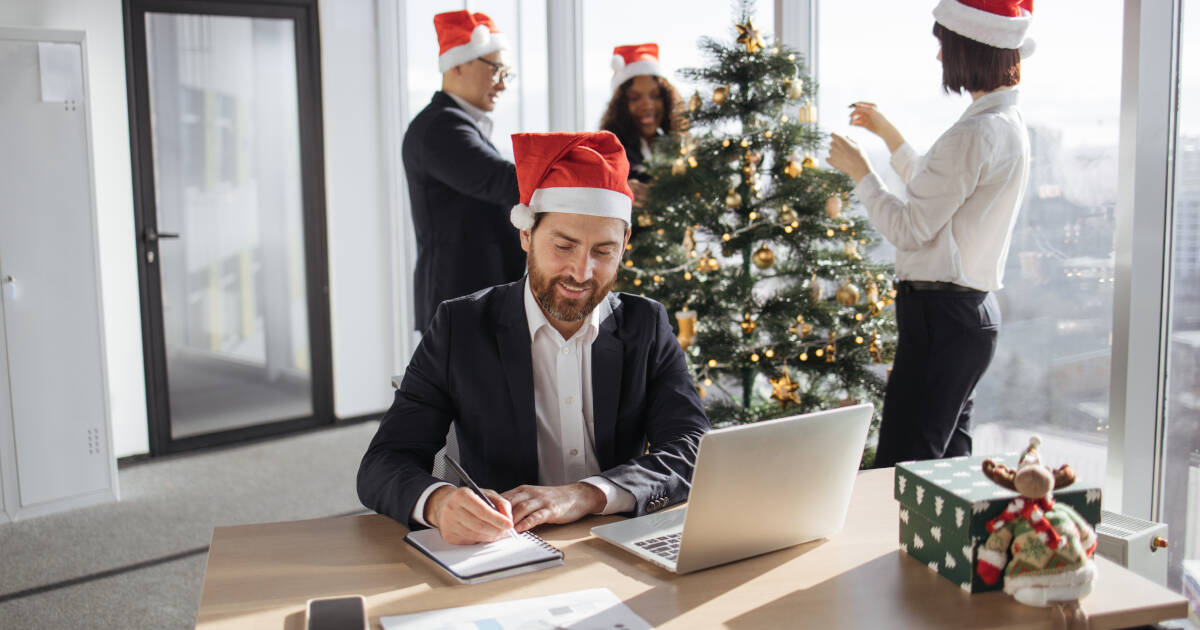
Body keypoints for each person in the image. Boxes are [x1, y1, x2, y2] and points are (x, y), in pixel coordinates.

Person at [358, 131, 710, 544]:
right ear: (526, 235)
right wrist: (438, 503)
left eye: (603, 252)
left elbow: (693, 448)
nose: (582, 272)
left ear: (624, 245)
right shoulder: (461, 326)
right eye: (564, 246)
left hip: (616, 542)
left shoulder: (646, 325)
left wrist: (587, 495)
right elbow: (384, 462)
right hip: (506, 549)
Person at [825, 0, 1034, 467]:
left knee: (905, 467)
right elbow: (934, 186)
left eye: (945, 46)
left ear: (970, 48)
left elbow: (910, 226)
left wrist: (861, 172)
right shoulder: (1003, 125)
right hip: (965, 316)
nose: (940, 57)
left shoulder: (975, 133)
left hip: (941, 318)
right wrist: (889, 134)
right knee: (948, 461)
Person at [403, 10, 524, 332]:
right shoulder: (440, 128)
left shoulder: (458, 124)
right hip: (460, 302)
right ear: (457, 64)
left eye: (506, 74)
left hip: (474, 299)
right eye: (496, 70)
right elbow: (503, 181)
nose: (502, 84)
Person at [600, 43, 684, 209]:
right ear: (621, 105)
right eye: (634, 98)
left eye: (655, 96)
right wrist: (621, 191)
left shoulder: (677, 147)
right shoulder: (608, 153)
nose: (647, 105)